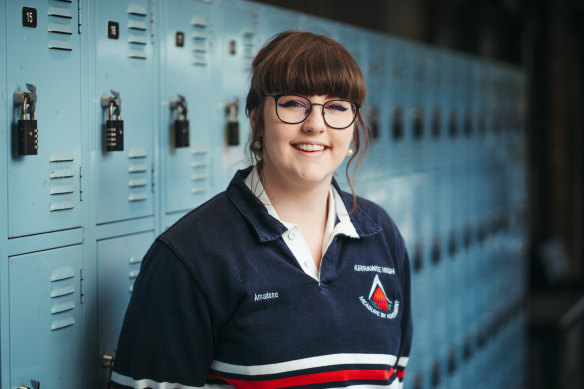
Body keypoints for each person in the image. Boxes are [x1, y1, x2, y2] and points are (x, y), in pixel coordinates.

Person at [109, 30, 412, 389]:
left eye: (336, 106)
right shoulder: (189, 255)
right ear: (256, 118)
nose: (315, 124)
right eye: (293, 103)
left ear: (353, 125)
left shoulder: (380, 233)